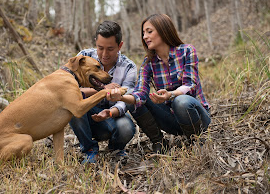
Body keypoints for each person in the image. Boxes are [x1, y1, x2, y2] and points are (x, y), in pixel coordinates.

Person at [107, 14, 211, 153]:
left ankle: (197, 140)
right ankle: (159, 143)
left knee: (180, 101)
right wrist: (121, 98)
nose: (144, 37)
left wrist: (170, 95)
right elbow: (140, 94)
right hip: (172, 121)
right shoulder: (148, 63)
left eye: (149, 32)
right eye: (143, 33)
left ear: (164, 30)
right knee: (133, 97)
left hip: (196, 117)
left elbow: (190, 84)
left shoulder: (187, 51)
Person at [69, 20, 137, 164]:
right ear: (95, 42)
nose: (104, 54)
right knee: (72, 103)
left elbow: (126, 99)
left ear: (120, 46)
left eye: (110, 49)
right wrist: (100, 90)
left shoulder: (129, 67)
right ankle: (89, 150)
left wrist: (110, 112)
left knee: (126, 128)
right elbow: (71, 90)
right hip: (85, 114)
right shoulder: (84, 57)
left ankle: (115, 148)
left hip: (111, 117)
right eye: (100, 48)